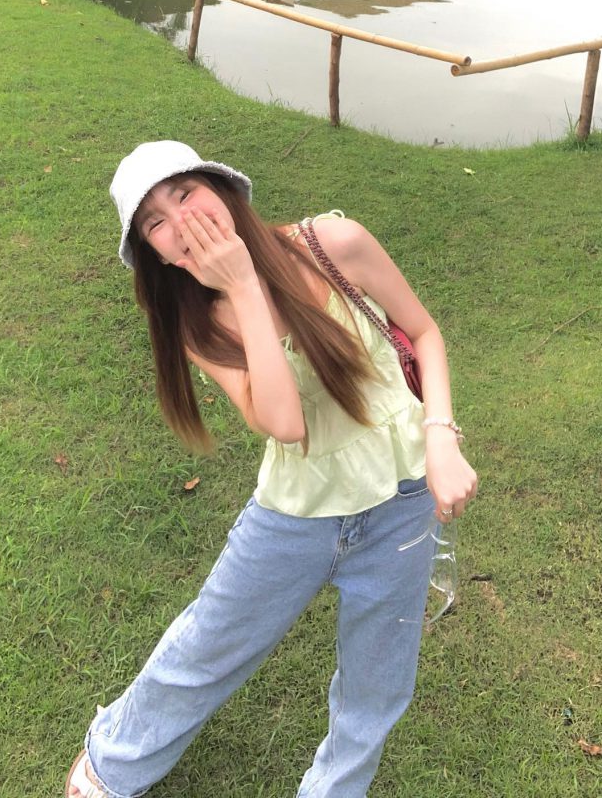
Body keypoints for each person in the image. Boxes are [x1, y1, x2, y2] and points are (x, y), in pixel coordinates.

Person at [66, 140, 478, 798]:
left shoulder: (334, 242)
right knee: (210, 644)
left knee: (377, 681)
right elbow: (285, 423)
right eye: (155, 223)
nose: (182, 222)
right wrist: (243, 286)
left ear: (222, 189)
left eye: (185, 193)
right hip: (296, 513)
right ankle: (113, 760)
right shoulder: (198, 324)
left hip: (402, 498)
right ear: (156, 255)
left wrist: (441, 436)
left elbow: (424, 334)